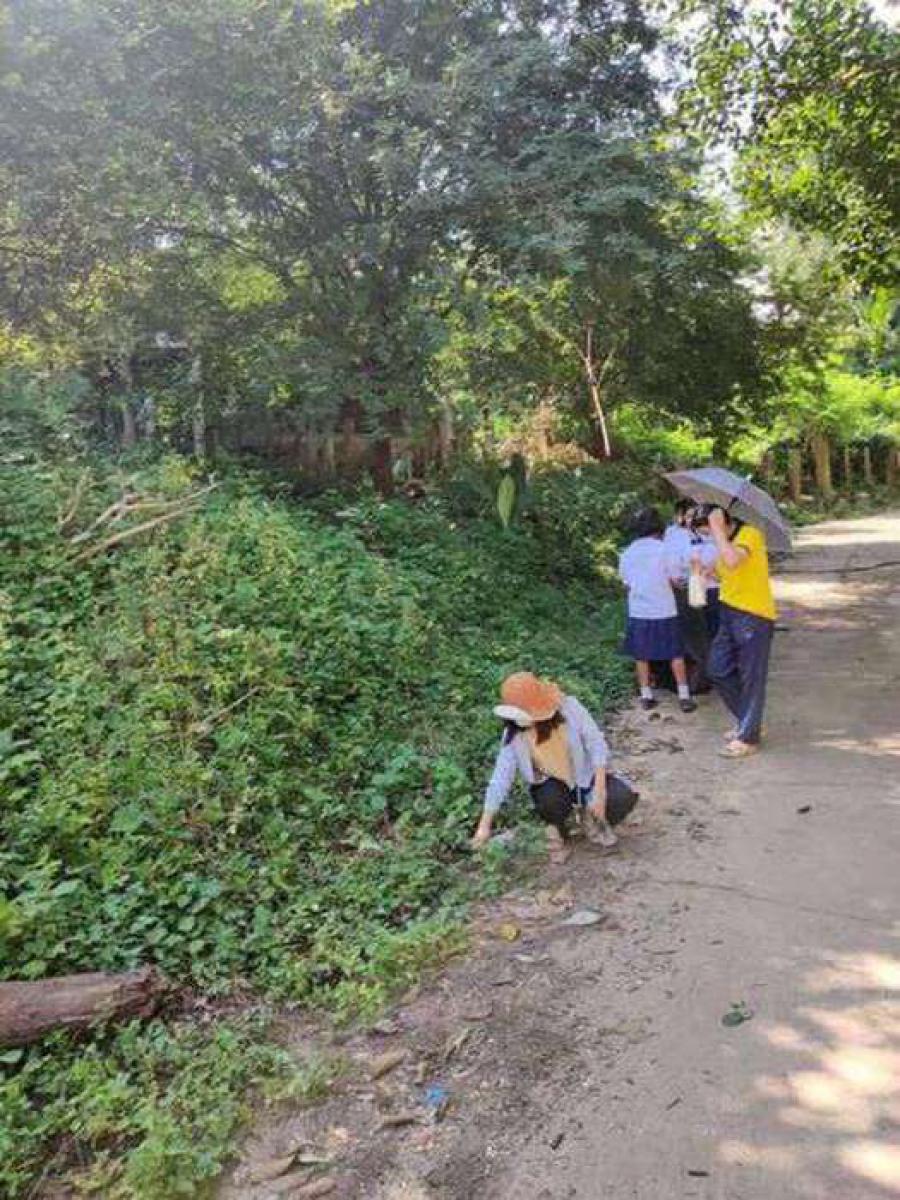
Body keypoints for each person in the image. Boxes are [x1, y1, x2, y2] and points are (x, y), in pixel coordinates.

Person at [471, 672, 638, 865]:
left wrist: (600, 792)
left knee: (620, 797)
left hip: (585, 779)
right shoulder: (513, 734)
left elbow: (596, 744)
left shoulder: (570, 709)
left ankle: (590, 819)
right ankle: (559, 829)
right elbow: (501, 778)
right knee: (549, 799)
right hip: (554, 787)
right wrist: (484, 826)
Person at [706, 507, 776, 758]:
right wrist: (705, 571)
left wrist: (716, 529)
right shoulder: (726, 542)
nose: (708, 534)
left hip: (753, 615)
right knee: (717, 668)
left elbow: (734, 561)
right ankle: (750, 722)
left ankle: (748, 737)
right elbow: (725, 571)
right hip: (729, 612)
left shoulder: (749, 534)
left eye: (707, 528)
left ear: (723, 521)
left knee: (751, 677)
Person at [619, 507, 697, 714]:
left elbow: (626, 583)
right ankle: (684, 695)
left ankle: (646, 695)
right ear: (659, 528)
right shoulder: (665, 549)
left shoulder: (627, 553)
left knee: (641, 654)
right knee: (675, 653)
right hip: (664, 608)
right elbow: (675, 579)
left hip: (639, 610)